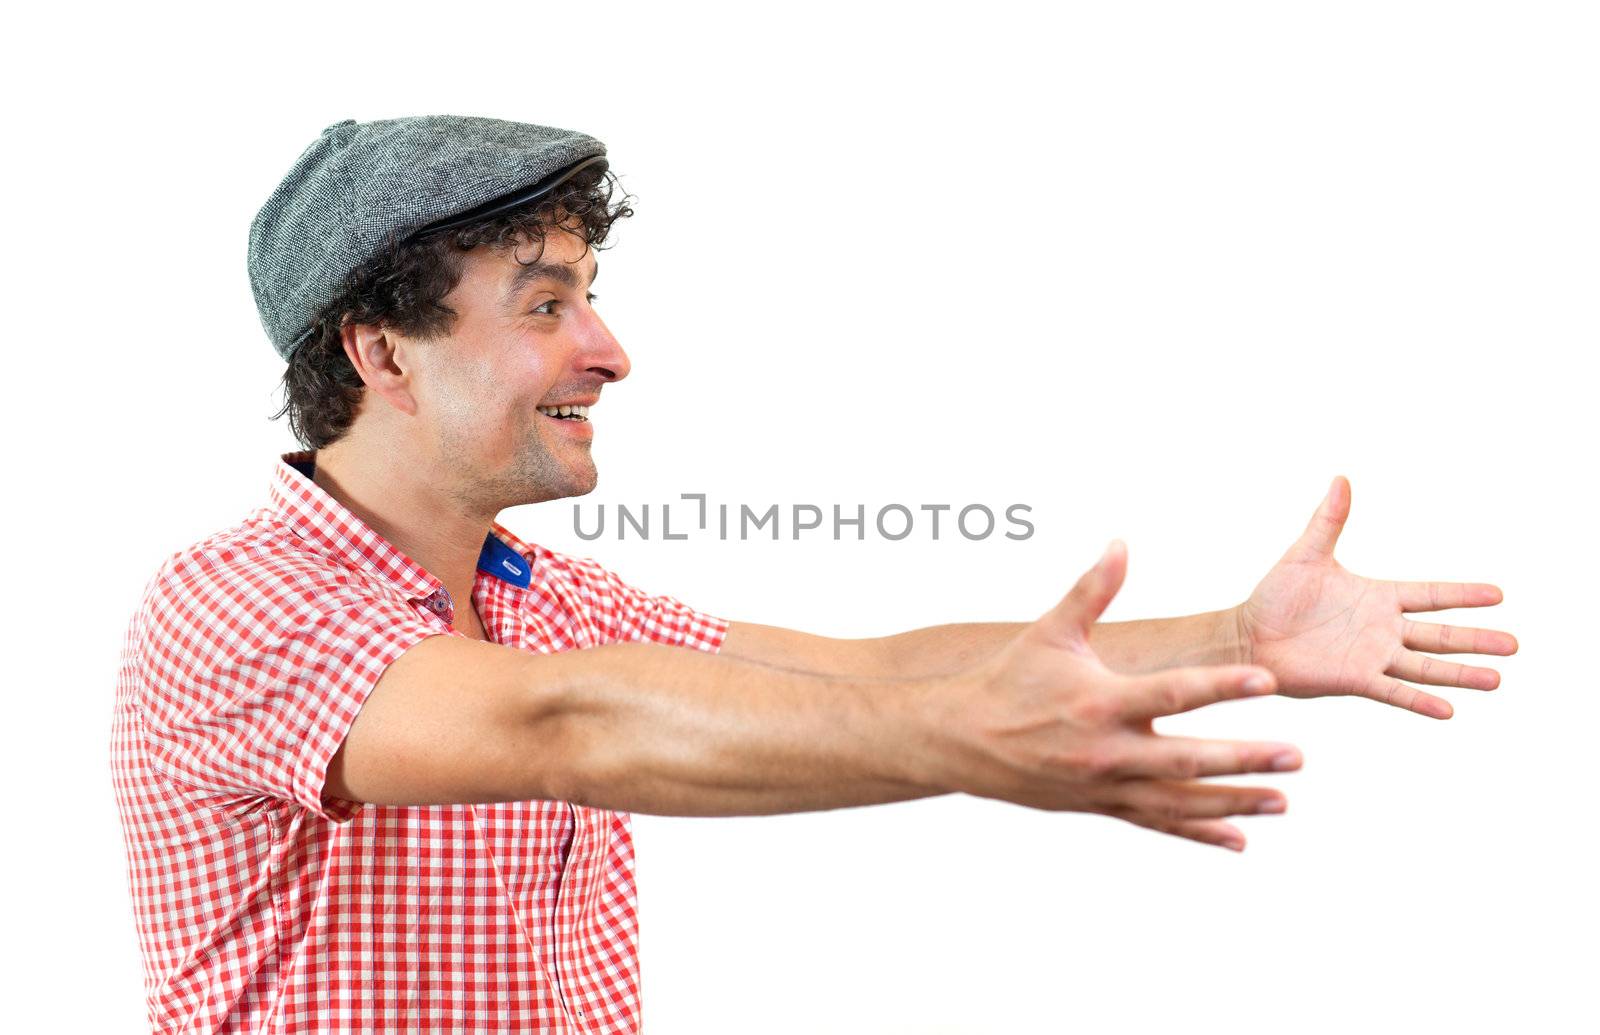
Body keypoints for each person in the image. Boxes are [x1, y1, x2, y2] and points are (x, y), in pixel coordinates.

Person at [109, 115, 1518, 1034]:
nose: (608, 349)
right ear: (380, 354)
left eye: (591, 296)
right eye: (547, 305)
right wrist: (962, 745)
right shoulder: (239, 606)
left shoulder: (557, 601)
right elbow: (569, 728)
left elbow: (857, 670)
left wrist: (1235, 634)